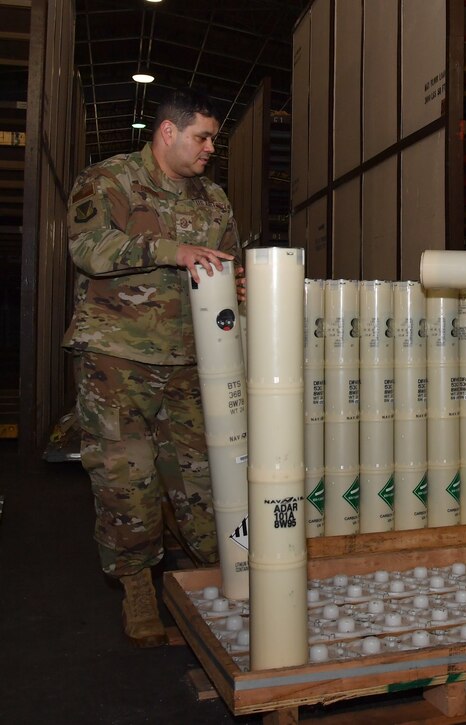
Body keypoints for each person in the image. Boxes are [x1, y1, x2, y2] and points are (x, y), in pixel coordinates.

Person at [63, 87, 244, 647]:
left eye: (213, 138)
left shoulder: (212, 200)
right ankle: (139, 591)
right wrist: (173, 250)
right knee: (127, 480)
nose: (210, 148)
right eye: (202, 137)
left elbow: (227, 268)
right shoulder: (109, 180)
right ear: (168, 132)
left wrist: (240, 287)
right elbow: (90, 248)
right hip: (117, 361)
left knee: (205, 479)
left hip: (193, 364)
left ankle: (217, 579)